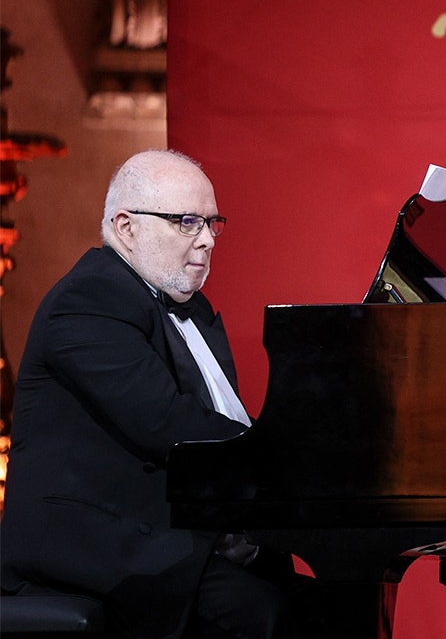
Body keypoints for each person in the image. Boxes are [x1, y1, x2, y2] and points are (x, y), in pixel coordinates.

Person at [0, 149, 298, 638]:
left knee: (325, 608)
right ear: (126, 228)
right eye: (186, 222)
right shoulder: (89, 298)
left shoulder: (192, 309)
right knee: (261, 614)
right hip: (94, 549)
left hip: (167, 538)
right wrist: (284, 454)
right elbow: (164, 421)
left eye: (211, 223)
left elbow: (220, 421)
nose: (206, 240)